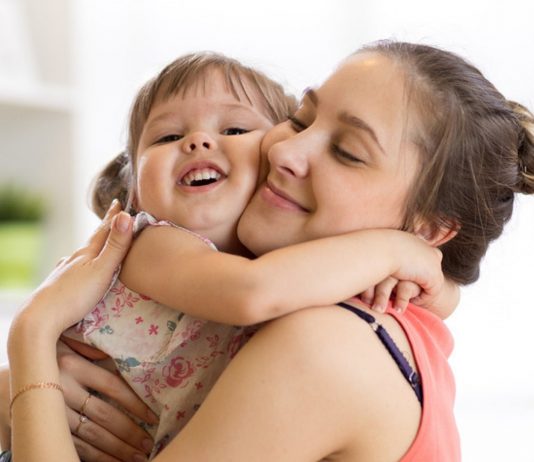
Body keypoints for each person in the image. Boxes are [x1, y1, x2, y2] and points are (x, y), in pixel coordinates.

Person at [5, 40, 534, 461]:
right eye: (301, 120)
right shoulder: (344, 303)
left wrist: (32, 339)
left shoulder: (327, 342)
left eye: (348, 152)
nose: (284, 149)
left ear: (430, 230)